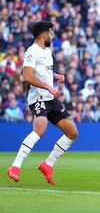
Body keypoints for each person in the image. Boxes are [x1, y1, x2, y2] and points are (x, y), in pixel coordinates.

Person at [7, 21, 79, 185]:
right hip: (38, 97)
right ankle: (15, 166)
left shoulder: (46, 51)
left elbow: (43, 71)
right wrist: (49, 87)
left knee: (72, 132)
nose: (52, 36)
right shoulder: (31, 52)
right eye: (51, 33)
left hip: (50, 98)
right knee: (40, 130)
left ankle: (48, 164)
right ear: (44, 34)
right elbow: (28, 76)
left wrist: (55, 75)